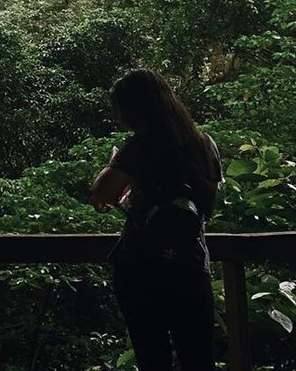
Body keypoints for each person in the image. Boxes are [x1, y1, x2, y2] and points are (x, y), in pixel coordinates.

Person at [91, 68, 223, 371]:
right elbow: (207, 206)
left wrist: (117, 163)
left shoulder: (138, 147)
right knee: (198, 358)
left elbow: (101, 193)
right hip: (191, 266)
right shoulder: (204, 144)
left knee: (153, 358)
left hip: (141, 269)